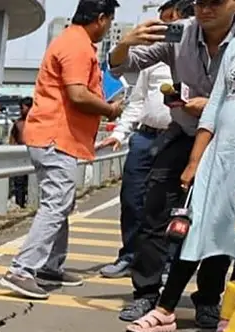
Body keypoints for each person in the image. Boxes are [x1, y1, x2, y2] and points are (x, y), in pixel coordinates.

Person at [126, 2, 235, 332]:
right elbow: (215, 105)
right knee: (195, 232)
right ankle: (164, 310)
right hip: (219, 157)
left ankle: (230, 317)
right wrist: (195, 160)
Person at [0, 0, 125, 300]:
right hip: (56, 137)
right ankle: (22, 269)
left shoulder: (73, 41)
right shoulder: (77, 46)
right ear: (100, 18)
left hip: (54, 137)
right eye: (108, 21)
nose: (107, 27)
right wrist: (109, 109)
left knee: (60, 203)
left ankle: (50, 266)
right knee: (57, 203)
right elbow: (78, 94)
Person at [95, 0, 184, 278]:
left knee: (170, 206)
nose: (166, 29)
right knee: (133, 200)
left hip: (177, 138)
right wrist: (121, 133)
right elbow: (137, 101)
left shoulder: (196, 58)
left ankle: (167, 262)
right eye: (162, 23)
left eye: (172, 21)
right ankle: (130, 256)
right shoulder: (151, 58)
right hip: (144, 138)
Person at [8, 97, 34, 208]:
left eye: (22, 108)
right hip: (20, 157)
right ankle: (20, 204)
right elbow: (13, 138)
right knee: (19, 182)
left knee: (32, 181)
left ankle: (32, 202)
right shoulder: (18, 123)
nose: (20, 111)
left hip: (33, 156)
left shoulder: (38, 122)